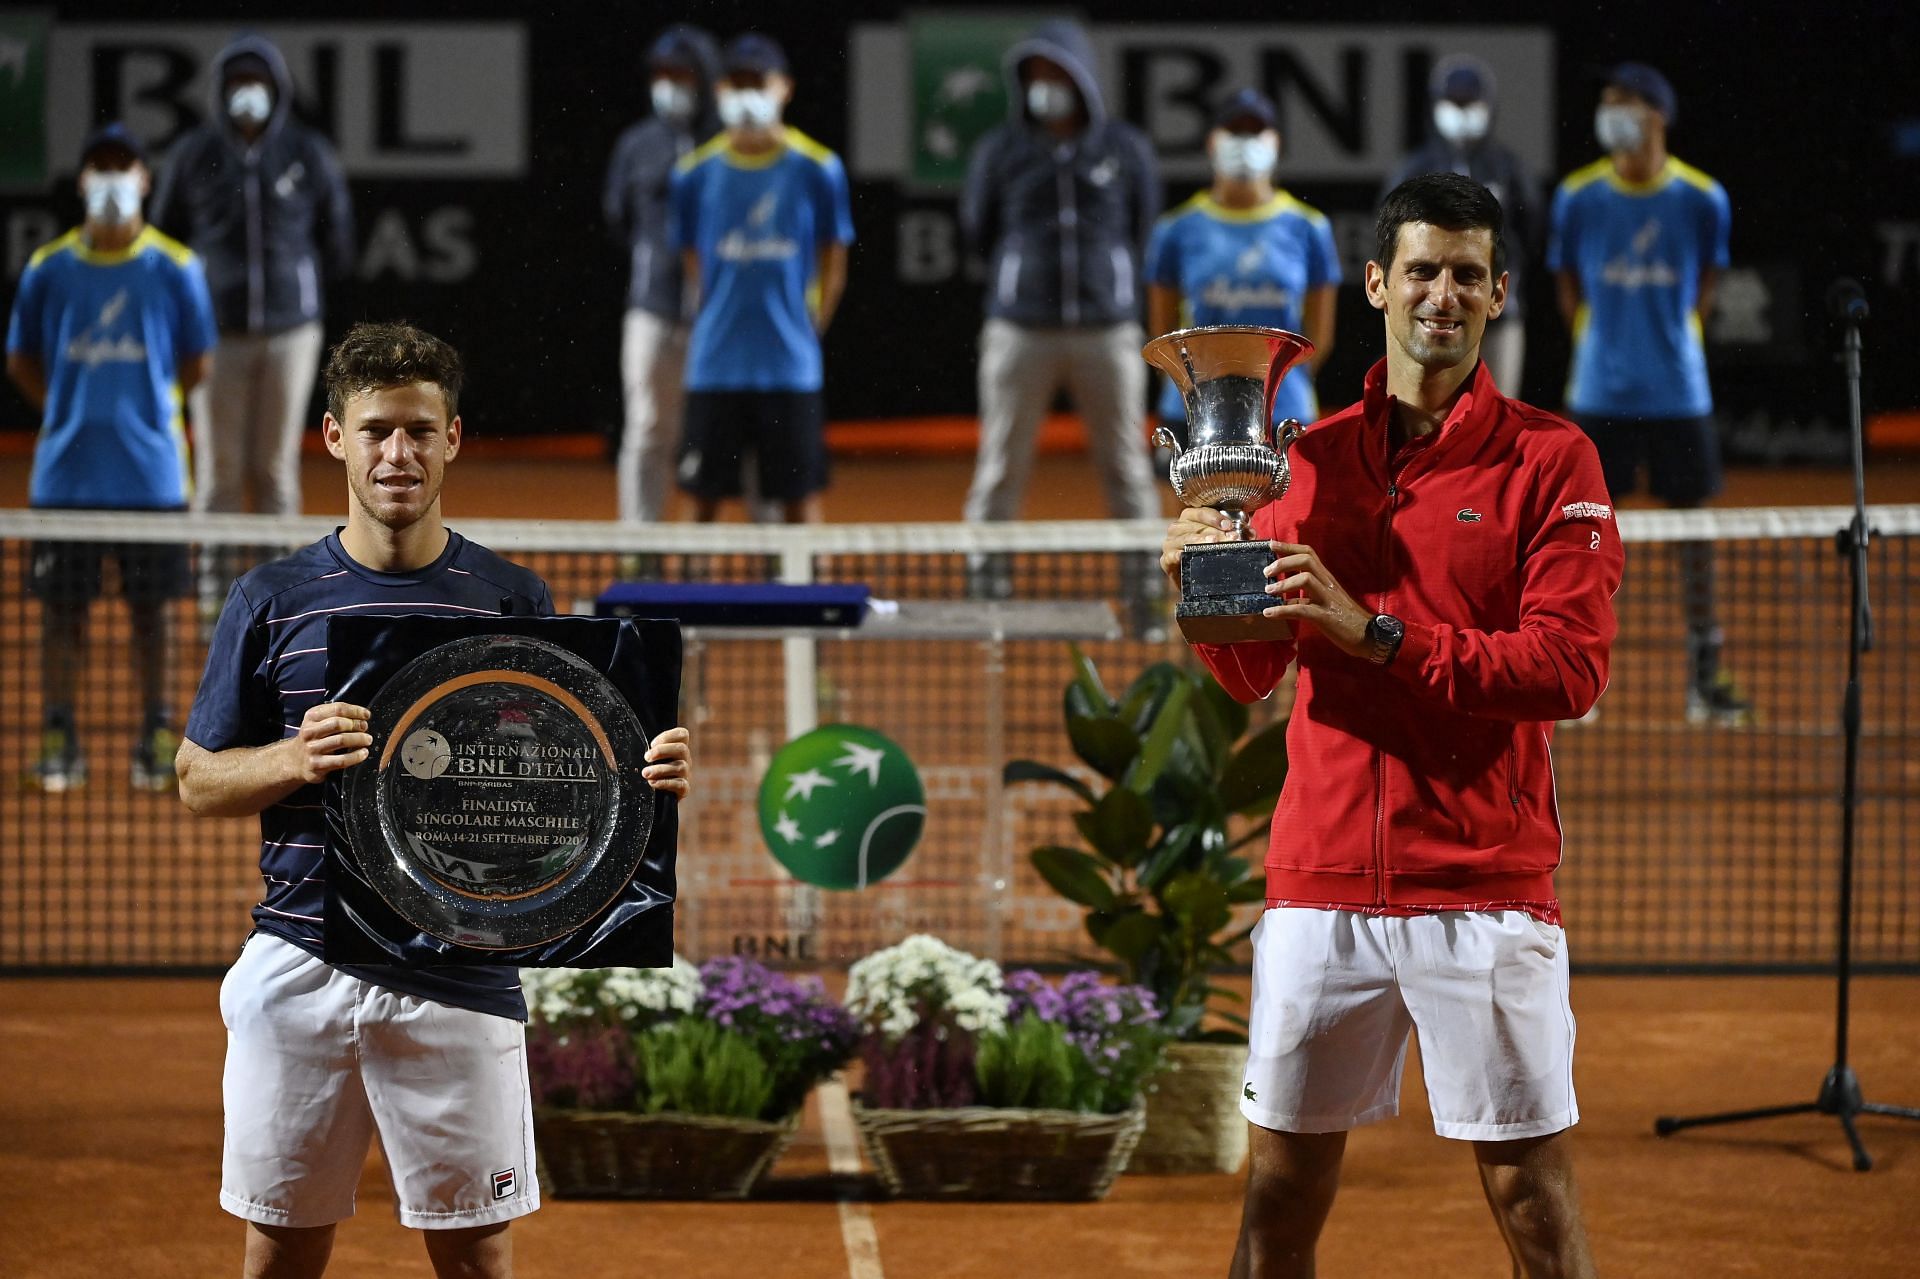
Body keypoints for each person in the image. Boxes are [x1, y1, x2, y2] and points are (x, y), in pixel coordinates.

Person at [1161, 173, 1620, 1278]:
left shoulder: (1551, 462)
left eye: (1467, 274)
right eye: (1422, 270)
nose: (1442, 294)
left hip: (1481, 883)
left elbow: (1569, 669)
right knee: (1277, 1198)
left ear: (1502, 293)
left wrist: (1377, 633)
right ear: (1376, 283)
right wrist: (1203, 588)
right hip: (1320, 879)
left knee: (1531, 1201)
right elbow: (1251, 671)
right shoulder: (1299, 460)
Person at [174, 321, 694, 1279]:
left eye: (420, 429)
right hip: (299, 959)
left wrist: (639, 776)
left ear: (453, 438)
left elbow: (564, 782)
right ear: (335, 438)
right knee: (279, 1250)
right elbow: (197, 778)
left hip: (459, 974)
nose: (397, 453)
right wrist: (295, 757)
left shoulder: (511, 598)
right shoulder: (270, 598)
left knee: (475, 1258)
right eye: (375, 430)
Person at [6, 122, 217, 792]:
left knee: (153, 614)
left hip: (152, 477)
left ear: (145, 180)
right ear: (81, 182)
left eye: (124, 166)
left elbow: (198, 362)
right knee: (61, 614)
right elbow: (21, 359)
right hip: (65, 477)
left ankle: (157, 731)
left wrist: (140, 411)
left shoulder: (177, 268)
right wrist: (72, 409)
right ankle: (59, 734)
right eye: (100, 165)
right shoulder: (49, 268)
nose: (112, 178)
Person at [1549, 62, 1749, 725]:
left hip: (1678, 395)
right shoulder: (1577, 197)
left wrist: (1670, 338)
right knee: (1577, 535)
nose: (1611, 113)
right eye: (1605, 102)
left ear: (1658, 115)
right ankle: (1570, 669)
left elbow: (1706, 284)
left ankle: (1704, 676)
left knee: (1694, 535)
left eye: (1625, 103)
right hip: (1598, 391)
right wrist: (1595, 337)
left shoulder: (1701, 198)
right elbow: (1567, 278)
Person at [959, 18, 1161, 586]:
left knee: (1125, 464)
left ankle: (1143, 579)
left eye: (1056, 72)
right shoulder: (1001, 150)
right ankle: (986, 579)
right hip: (1019, 331)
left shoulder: (1124, 149)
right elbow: (978, 228)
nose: (1044, 84)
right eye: (1034, 75)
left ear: (1082, 78)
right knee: (1000, 464)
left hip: (1107, 330)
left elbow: (1143, 226)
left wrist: (1107, 282)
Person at [150, 33, 354, 518]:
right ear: (221, 88)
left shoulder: (308, 152)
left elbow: (338, 238)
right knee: (219, 473)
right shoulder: (192, 154)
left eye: (257, 81)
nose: (248, 91)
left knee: (275, 472)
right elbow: (162, 241)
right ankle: (214, 596)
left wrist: (299, 289)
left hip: (292, 335)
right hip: (214, 336)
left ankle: (280, 596)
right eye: (238, 81)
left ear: (277, 88)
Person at [671, 33, 853, 524]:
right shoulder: (692, 173)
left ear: (785, 88)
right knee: (702, 502)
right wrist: (713, 307)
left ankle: (811, 602)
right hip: (715, 364)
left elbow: (835, 255)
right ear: (720, 91)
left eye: (759, 82)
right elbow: (691, 257)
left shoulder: (819, 168)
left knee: (799, 502)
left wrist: (812, 324)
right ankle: (687, 604)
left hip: (790, 366)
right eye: (737, 83)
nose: (748, 94)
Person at [1147, 87, 1340, 430]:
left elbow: (1320, 338)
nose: (1244, 141)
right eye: (1234, 131)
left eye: (1255, 131)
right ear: (1211, 142)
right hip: (1194, 411)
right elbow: (1161, 332)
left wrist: (1273, 384)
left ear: (1275, 142)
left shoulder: (1308, 227)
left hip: (1284, 409)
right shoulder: (1175, 228)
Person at [603, 24, 720, 525]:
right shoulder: (637, 145)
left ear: (705, 78)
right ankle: (640, 551)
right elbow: (618, 218)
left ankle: (700, 561)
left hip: (717, 316)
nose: (669, 83)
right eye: (662, 74)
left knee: (713, 436)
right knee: (648, 430)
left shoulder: (728, 145)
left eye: (682, 73)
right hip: (651, 311)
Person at [1381, 54, 1537, 396]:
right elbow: (1389, 238)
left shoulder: (1508, 168)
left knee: (1497, 418)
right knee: (1429, 411)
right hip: (1428, 315)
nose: (1462, 111)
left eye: (1470, 102)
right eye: (1454, 102)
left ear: (1488, 106)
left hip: (1499, 317)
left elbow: (1530, 232)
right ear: (1436, 105)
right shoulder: (1414, 168)